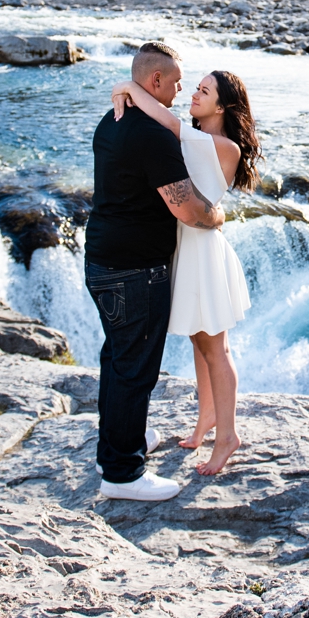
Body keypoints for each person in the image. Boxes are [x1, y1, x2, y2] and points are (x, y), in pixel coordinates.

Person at [84, 42, 225, 502]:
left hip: (103, 259)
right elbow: (187, 209)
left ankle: (124, 441)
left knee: (117, 358)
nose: (182, 88)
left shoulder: (115, 120)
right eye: (178, 80)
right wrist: (217, 216)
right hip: (135, 269)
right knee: (133, 369)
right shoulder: (151, 134)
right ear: (156, 81)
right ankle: (122, 473)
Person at [111, 68, 259, 475]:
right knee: (200, 344)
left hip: (203, 254)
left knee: (215, 349)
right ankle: (206, 420)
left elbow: (169, 122)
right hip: (187, 248)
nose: (194, 94)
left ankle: (227, 436)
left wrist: (129, 88)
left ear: (223, 105)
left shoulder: (223, 145)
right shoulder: (198, 139)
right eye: (195, 87)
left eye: (204, 91)